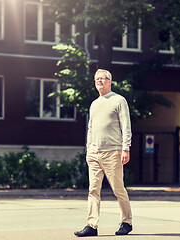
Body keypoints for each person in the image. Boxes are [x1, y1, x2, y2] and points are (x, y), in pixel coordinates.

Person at [74, 69, 133, 237]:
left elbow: (126, 126)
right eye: (97, 79)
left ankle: (126, 222)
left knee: (118, 189)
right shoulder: (94, 103)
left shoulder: (118, 100)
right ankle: (91, 225)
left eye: (103, 78)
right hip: (94, 153)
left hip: (113, 152)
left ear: (110, 82)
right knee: (93, 189)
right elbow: (90, 128)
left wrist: (125, 148)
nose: (99, 81)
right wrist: (89, 149)